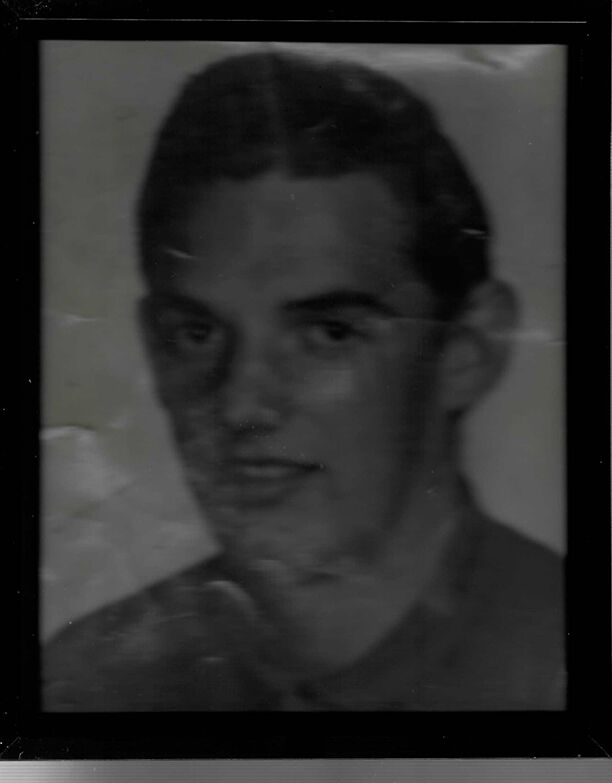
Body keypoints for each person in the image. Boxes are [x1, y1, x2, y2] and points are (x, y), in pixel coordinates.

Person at [42, 50, 565, 711]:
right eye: (198, 334)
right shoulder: (84, 689)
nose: (241, 404)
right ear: (153, 343)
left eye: (329, 333)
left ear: (466, 351)